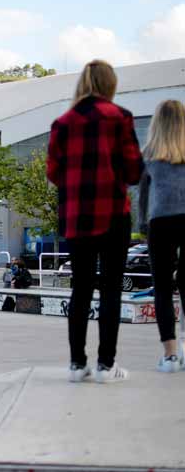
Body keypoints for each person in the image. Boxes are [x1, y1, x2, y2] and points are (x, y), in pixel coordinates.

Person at [47, 59, 143, 384]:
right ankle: (106, 366)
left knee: (82, 288)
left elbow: (53, 173)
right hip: (114, 213)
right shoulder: (120, 118)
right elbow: (133, 170)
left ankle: (76, 365)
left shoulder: (62, 123)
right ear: (110, 85)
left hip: (77, 216)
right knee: (111, 290)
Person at [138, 100, 185, 373]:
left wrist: (142, 225)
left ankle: (169, 355)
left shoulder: (149, 154)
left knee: (163, 289)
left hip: (161, 221)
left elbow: (142, 195)